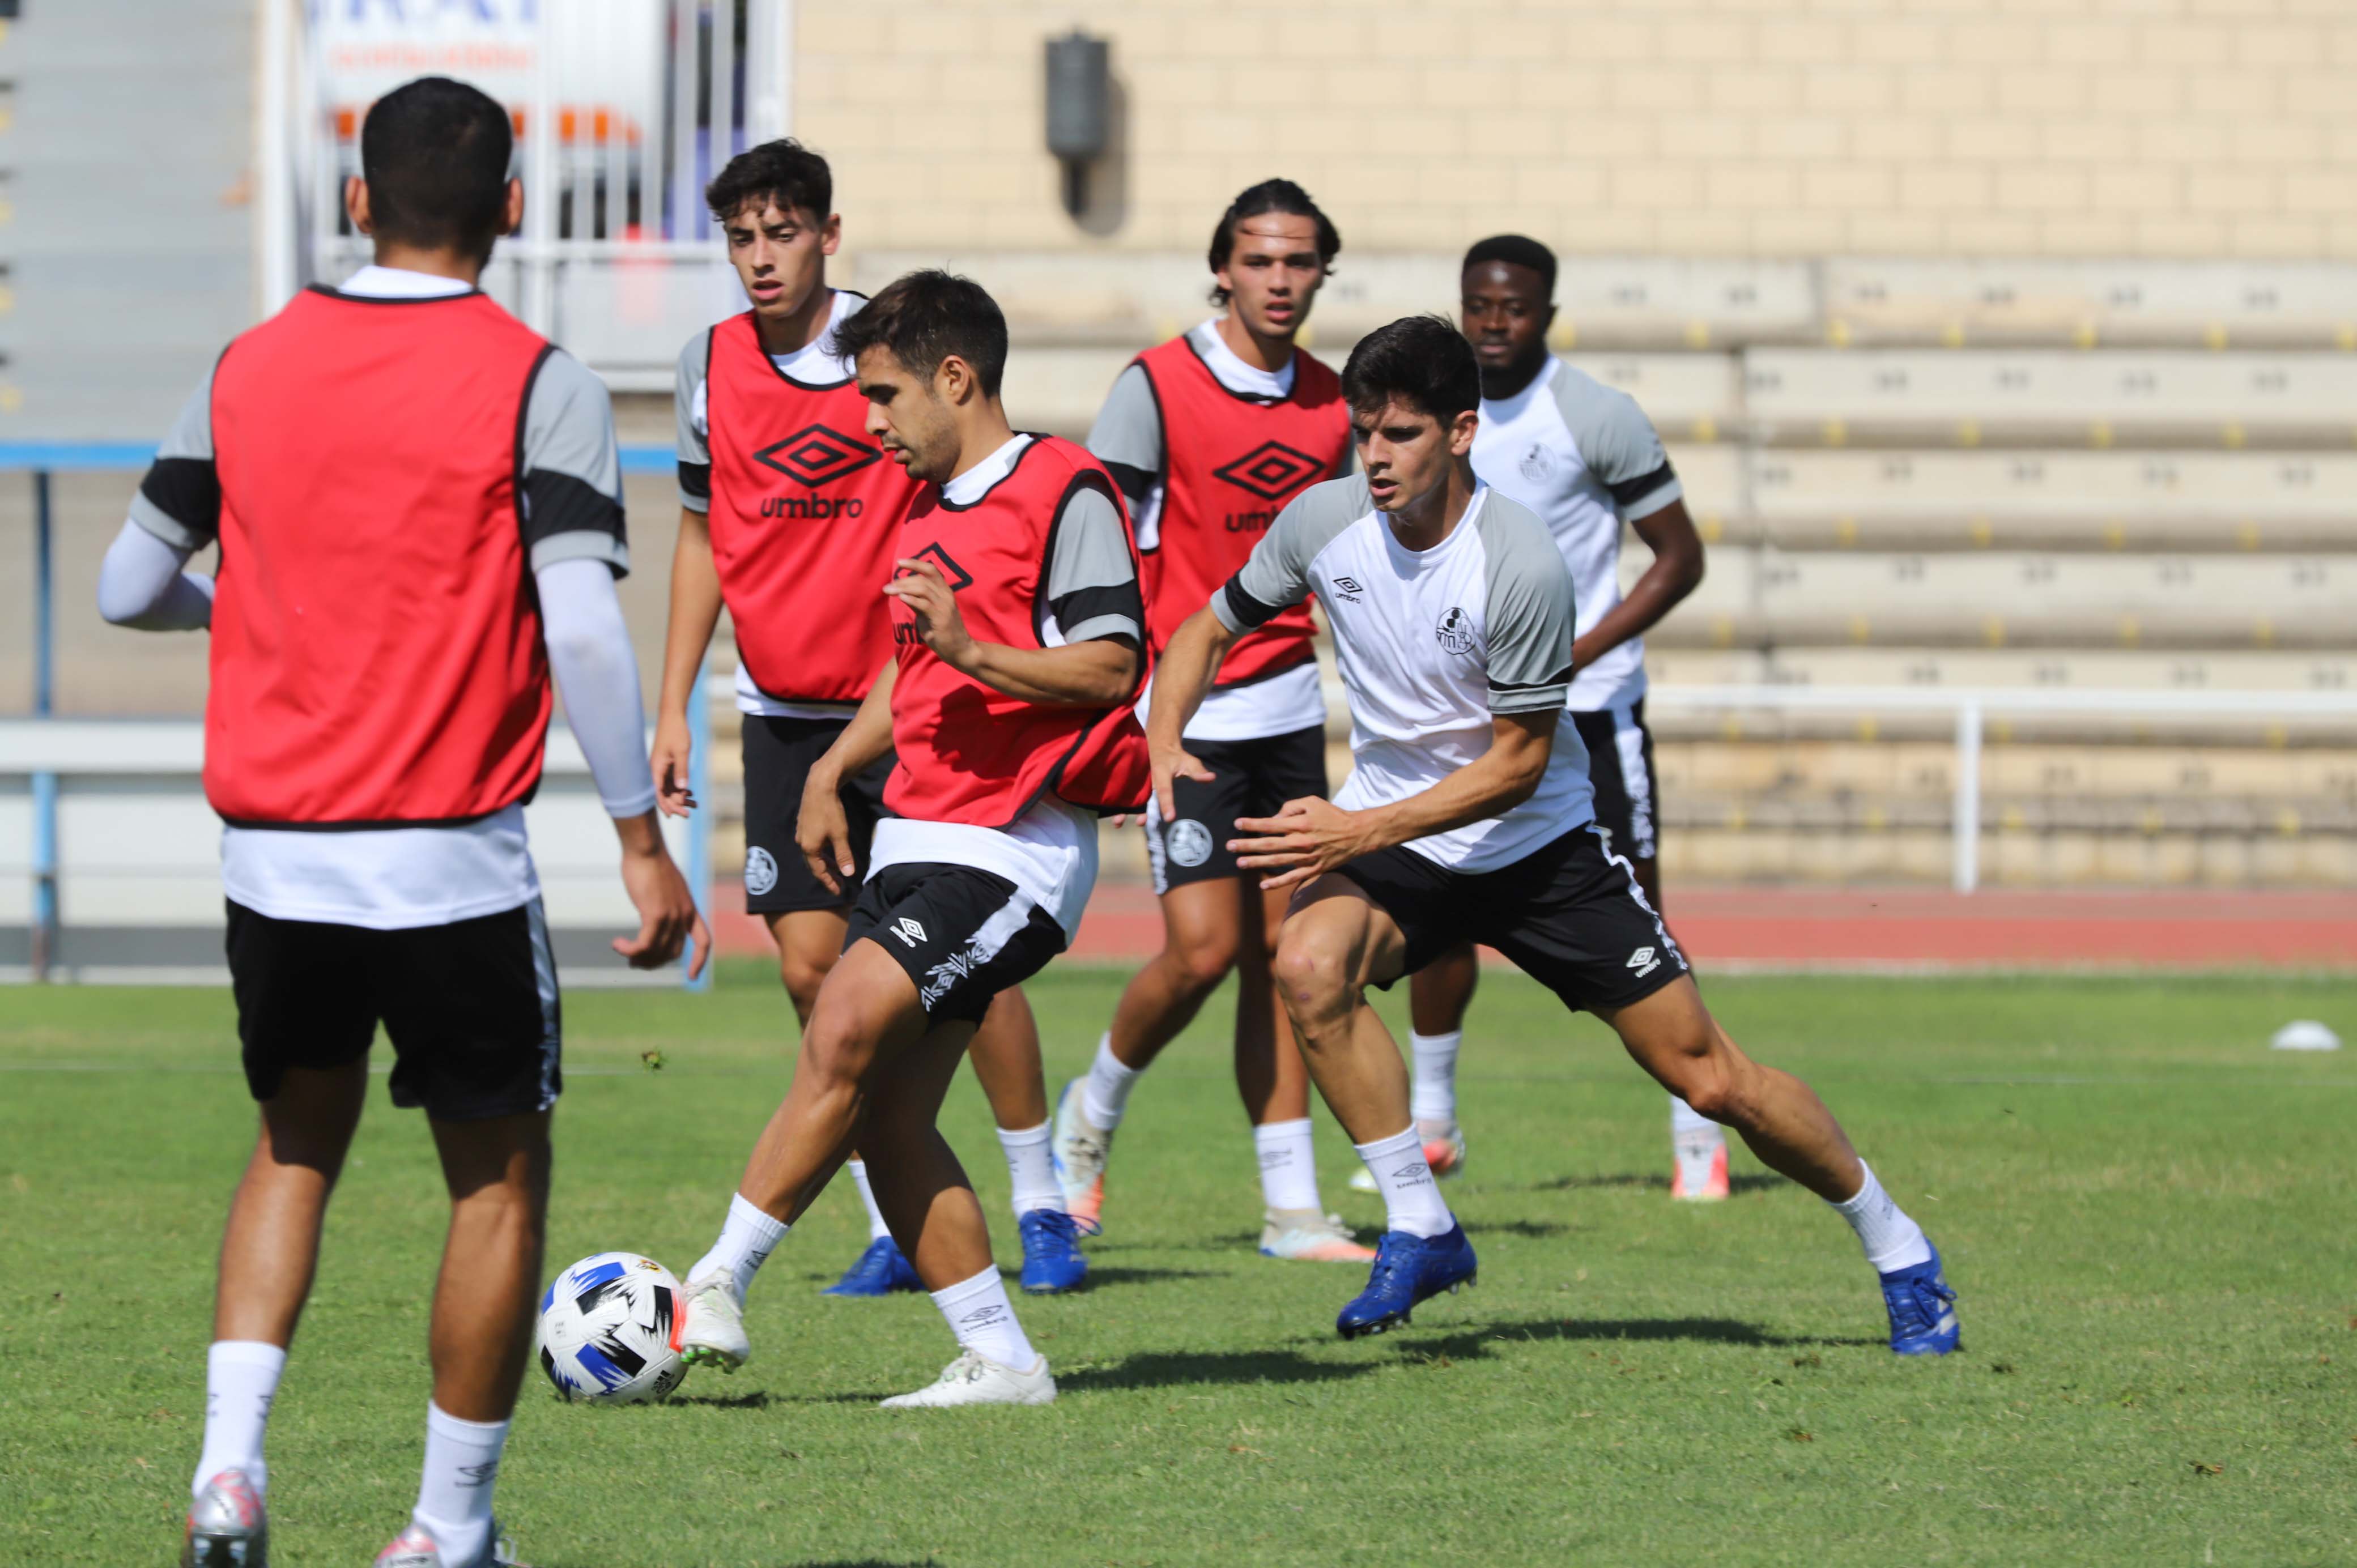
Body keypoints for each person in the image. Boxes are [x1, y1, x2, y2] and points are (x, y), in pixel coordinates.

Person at [98, 78, 707, 1568]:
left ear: (356, 201)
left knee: (293, 1148)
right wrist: (640, 837)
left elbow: (128, 585)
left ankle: (230, 1471)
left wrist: (229, 601)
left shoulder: (248, 364)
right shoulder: (536, 378)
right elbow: (585, 626)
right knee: (497, 1181)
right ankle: (446, 1532)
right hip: (448, 866)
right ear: (511, 208)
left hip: (274, 862)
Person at [1148, 314, 1960, 1354]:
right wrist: (1165, 738)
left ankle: (1898, 1247)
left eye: (1400, 435)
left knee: (1711, 1079)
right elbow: (1208, 626)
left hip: (1538, 846)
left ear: (1461, 432)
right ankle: (1422, 1223)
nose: (1377, 457)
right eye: (1364, 434)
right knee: (1306, 966)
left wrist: (1355, 831)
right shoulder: (1321, 525)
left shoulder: (1519, 561)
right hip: (1403, 838)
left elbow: (1516, 766)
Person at [677, 270, 1151, 1407]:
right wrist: (836, 765)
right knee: (886, 1116)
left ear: (956, 377)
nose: (871, 421)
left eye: (885, 396)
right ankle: (1002, 1357)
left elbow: (1111, 662)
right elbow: (917, 665)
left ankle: (715, 1280)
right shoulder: (929, 509)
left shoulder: (1063, 488)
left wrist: (977, 647)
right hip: (917, 833)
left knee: (839, 1021)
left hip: (1011, 848)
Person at [653, 140, 1086, 1297]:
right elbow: (700, 534)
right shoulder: (706, 365)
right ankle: (894, 1217)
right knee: (812, 969)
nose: (759, 257)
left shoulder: (882, 357)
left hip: (904, 706)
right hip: (784, 711)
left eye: (780, 233)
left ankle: (1042, 1200)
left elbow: (979, 498)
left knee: (946, 972)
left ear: (826, 235)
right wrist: (676, 702)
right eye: (739, 237)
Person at [1364, 233, 1727, 1201]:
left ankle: (1699, 1133)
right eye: (1478, 303)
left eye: (1514, 306)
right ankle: (1433, 1123)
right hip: (1463, 720)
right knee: (1437, 909)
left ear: (1546, 315)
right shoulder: (1429, 419)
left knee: (1638, 905)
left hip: (1593, 711)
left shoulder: (1593, 416)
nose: (1494, 320)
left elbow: (1679, 557)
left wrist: (1578, 652)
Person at [1050, 180, 1371, 1264]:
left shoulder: (1338, 402)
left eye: (1298, 262)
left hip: (1287, 711)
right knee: (1200, 949)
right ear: (1222, 268)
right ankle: (1088, 1119)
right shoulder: (1155, 386)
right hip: (1185, 712)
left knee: (1284, 954)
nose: (1279, 280)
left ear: (1322, 272)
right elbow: (1107, 547)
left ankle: (1290, 1205)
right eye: (1259, 260)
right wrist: (1141, 705)